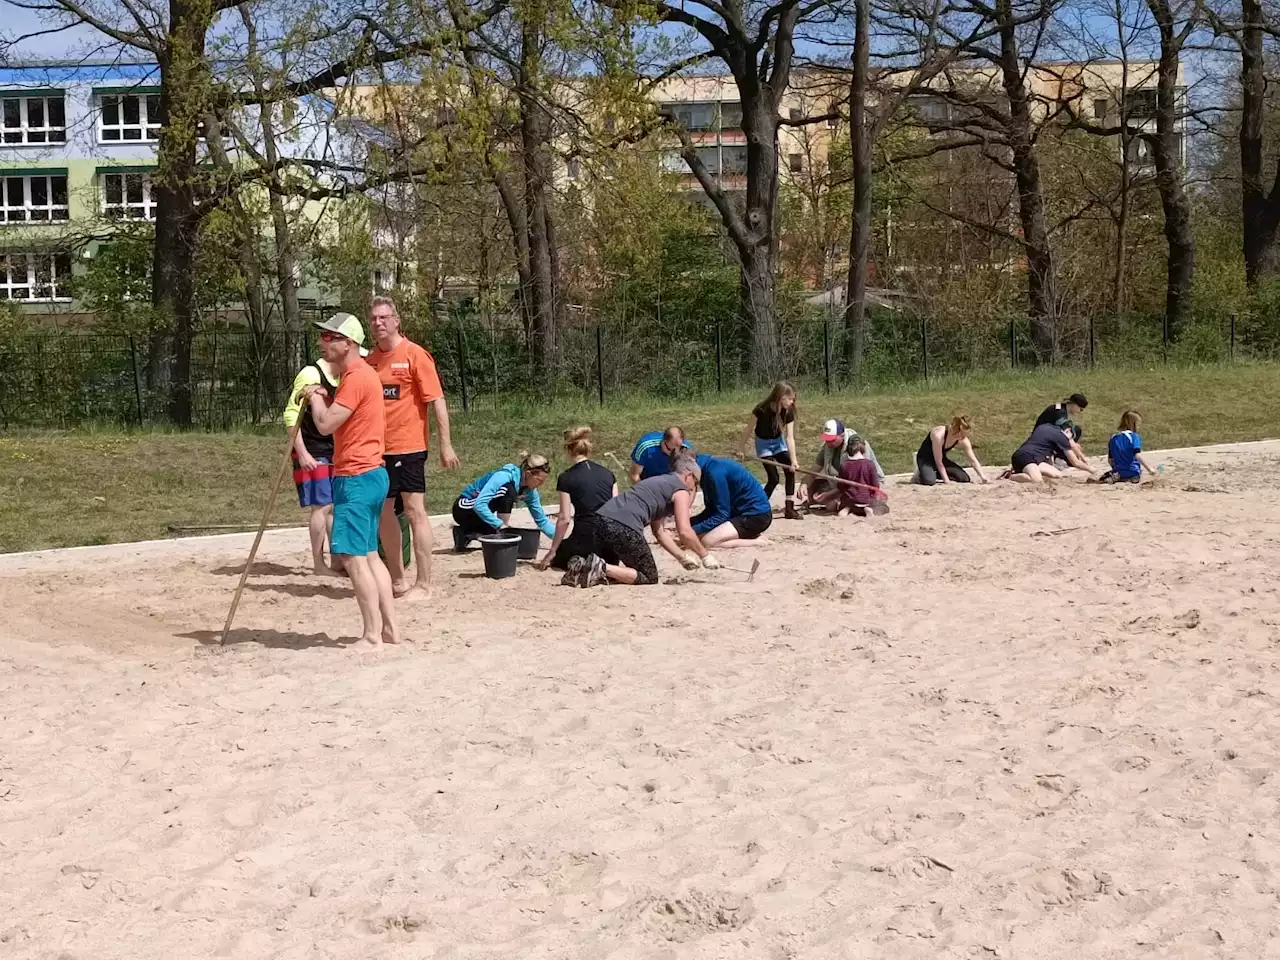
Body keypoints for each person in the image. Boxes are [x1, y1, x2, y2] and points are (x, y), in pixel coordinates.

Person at [302, 313, 399, 647]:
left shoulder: (357, 377)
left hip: (356, 476)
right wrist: (325, 396)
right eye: (324, 337)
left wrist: (314, 398)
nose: (323, 343)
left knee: (355, 559)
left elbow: (326, 425)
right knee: (371, 555)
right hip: (371, 473)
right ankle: (388, 630)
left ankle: (372, 634)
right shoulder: (358, 377)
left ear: (349, 343)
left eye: (330, 338)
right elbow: (346, 415)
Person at [367, 295, 461, 601]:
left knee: (414, 510)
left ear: (396, 320)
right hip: (378, 449)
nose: (378, 323)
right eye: (374, 318)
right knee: (383, 512)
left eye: (384, 317)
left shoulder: (415, 355)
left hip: (409, 447)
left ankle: (424, 584)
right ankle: (398, 578)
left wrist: (445, 445)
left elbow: (437, 401)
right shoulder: (369, 361)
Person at [567, 453, 716, 587]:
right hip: (623, 526)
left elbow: (659, 533)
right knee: (649, 576)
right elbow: (684, 531)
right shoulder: (681, 490)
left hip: (600, 521)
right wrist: (705, 556)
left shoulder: (659, 483)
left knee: (611, 571)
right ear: (688, 476)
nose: (694, 488)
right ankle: (601, 567)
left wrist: (682, 557)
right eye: (696, 483)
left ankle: (583, 567)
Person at [283, 354, 344, 576]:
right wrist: (302, 453)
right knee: (322, 506)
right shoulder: (310, 374)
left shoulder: (343, 376)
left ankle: (338, 561)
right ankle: (319, 564)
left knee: (333, 507)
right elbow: (291, 415)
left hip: (334, 450)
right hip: (312, 449)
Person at [535, 427, 617, 570]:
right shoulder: (609, 474)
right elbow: (617, 509)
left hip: (584, 537)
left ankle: (582, 562)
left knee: (562, 554)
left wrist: (553, 550)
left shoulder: (566, 478)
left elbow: (564, 518)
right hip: (610, 545)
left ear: (568, 450)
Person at [452, 454, 556, 548]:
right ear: (528, 474)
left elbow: (541, 520)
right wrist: (501, 526)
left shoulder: (530, 492)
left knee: (511, 536)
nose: (542, 484)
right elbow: (479, 504)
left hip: (479, 515)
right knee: (508, 491)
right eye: (540, 480)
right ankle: (501, 531)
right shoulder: (503, 477)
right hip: (463, 508)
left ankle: (465, 534)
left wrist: (559, 539)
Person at [740, 381, 802, 520]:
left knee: (790, 471)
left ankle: (789, 508)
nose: (792, 402)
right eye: (790, 398)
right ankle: (758, 506)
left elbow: (790, 438)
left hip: (778, 443)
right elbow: (748, 429)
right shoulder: (761, 409)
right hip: (763, 444)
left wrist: (794, 461)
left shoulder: (788, 411)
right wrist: (741, 448)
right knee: (774, 478)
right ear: (781, 396)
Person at [691, 453, 773, 548]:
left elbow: (722, 514)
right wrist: (688, 524)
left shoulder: (715, 474)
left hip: (755, 516)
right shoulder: (708, 468)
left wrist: (693, 530)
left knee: (708, 541)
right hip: (739, 513)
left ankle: (757, 541)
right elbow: (712, 510)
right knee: (699, 535)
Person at [803, 418, 884, 501]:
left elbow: (857, 480)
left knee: (831, 505)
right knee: (813, 490)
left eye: (831, 439)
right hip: (842, 484)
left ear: (842, 435)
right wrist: (804, 483)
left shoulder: (857, 446)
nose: (828, 442)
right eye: (826, 439)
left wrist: (830, 494)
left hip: (865, 485)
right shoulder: (828, 446)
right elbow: (816, 467)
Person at [1007, 423, 1096, 484]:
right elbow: (1075, 462)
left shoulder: (1046, 427)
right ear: (1068, 431)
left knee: (1057, 475)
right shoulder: (1062, 438)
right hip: (1026, 457)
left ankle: (1029, 472)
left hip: (1035, 459)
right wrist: (1091, 469)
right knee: (1037, 480)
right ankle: (1011, 476)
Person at [916, 415, 990, 485]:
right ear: (955, 428)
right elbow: (939, 462)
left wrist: (983, 477)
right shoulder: (939, 435)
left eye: (964, 435)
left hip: (942, 459)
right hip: (925, 459)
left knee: (964, 478)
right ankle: (921, 473)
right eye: (960, 434)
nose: (961, 437)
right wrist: (946, 480)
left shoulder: (963, 439)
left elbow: (973, 460)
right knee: (929, 481)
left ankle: (936, 473)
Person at [1095, 410, 1156, 484]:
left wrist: (1116, 469)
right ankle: (1131, 477)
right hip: (1133, 471)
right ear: (1133, 424)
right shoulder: (1134, 437)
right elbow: (1137, 455)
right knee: (1135, 473)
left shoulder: (1113, 438)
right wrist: (1149, 469)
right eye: (1138, 425)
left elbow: (1110, 460)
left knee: (1105, 477)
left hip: (1118, 471)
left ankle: (1116, 476)